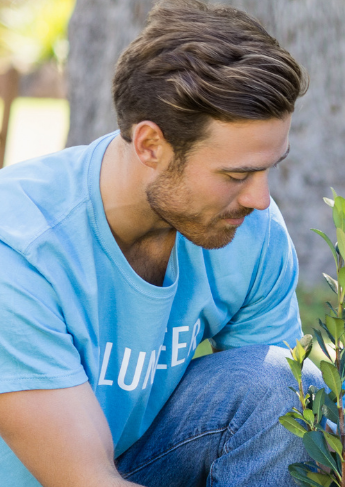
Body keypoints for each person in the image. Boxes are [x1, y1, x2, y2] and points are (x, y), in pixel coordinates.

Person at [0, 1, 315, 486]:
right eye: (236, 174)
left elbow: (288, 421)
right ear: (149, 145)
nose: (259, 198)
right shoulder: (18, 248)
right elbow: (86, 480)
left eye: (269, 167)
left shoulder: (252, 231)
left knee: (283, 385)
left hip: (137, 459)